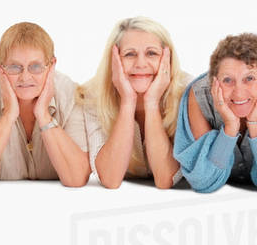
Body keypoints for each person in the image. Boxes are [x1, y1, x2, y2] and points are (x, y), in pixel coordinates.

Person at [173, 32, 257, 193]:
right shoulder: (198, 94)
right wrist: (230, 128)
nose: (239, 93)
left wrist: (255, 123)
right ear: (215, 80)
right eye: (227, 80)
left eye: (249, 79)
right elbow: (203, 181)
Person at [0, 22, 90, 187]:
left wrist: (44, 115)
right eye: (15, 67)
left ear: (51, 66)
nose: (25, 77)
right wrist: (8, 116)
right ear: (0, 68)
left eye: (35, 66)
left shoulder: (71, 96)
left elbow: (76, 178)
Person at [79, 17, 191, 189]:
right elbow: (110, 178)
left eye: (151, 53)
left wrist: (152, 103)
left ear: (167, 58)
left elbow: (165, 179)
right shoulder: (93, 94)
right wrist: (127, 102)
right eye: (130, 54)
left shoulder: (187, 93)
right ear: (114, 60)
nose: (140, 64)